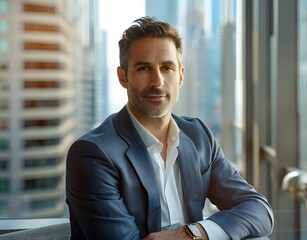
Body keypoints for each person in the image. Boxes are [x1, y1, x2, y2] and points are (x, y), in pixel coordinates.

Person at [66, 16, 274, 240]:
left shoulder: (198, 135)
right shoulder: (92, 154)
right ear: (123, 77)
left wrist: (194, 233)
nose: (157, 81)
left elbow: (259, 210)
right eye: (144, 68)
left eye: (167, 68)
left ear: (181, 76)